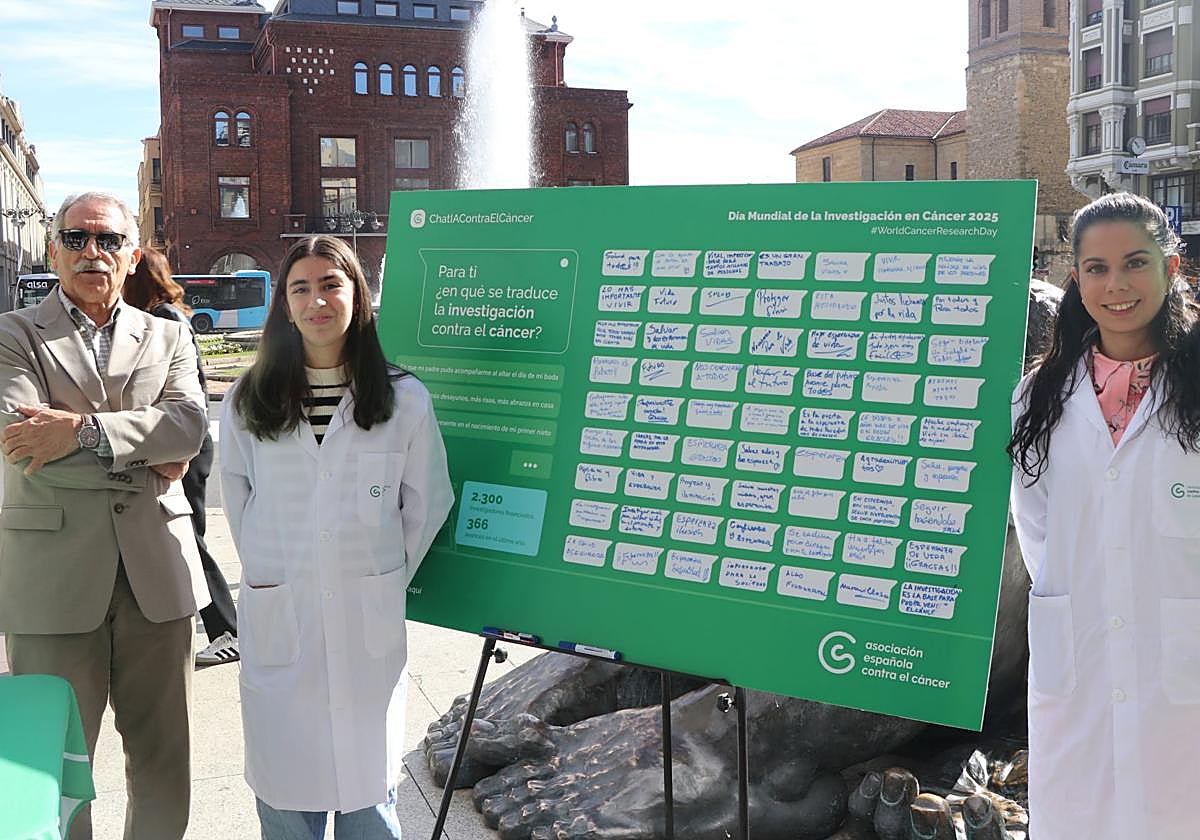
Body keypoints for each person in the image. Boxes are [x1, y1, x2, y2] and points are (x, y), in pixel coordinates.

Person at [219, 234, 453, 839]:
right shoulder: (248, 398)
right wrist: (277, 568)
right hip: (282, 612)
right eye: (301, 288)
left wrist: (381, 574)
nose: (316, 300)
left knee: (368, 798)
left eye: (331, 284)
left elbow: (427, 502)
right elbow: (238, 495)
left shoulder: (404, 398)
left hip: (364, 615)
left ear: (358, 296)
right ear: (285, 304)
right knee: (285, 799)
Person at [0, 192, 209, 839]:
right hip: (50, 583)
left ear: (133, 254)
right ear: (54, 249)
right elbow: (17, 435)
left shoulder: (169, 335)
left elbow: (191, 427)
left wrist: (82, 433)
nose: (94, 252)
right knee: (50, 769)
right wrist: (148, 450)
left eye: (110, 240)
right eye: (78, 238)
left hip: (158, 578)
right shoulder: (14, 334)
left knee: (163, 763)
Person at [1009, 191, 1200, 840]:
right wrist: (1081, 581)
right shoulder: (1039, 396)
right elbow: (1038, 533)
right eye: (1096, 268)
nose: (1115, 285)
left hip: (1183, 666)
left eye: (1134, 263)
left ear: (1171, 270)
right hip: (1080, 659)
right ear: (1077, 280)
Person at [125, 247, 240, 665]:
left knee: (189, 535)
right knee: (183, 533)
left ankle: (227, 629)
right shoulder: (167, 312)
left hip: (182, 444)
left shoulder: (162, 318)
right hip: (180, 440)